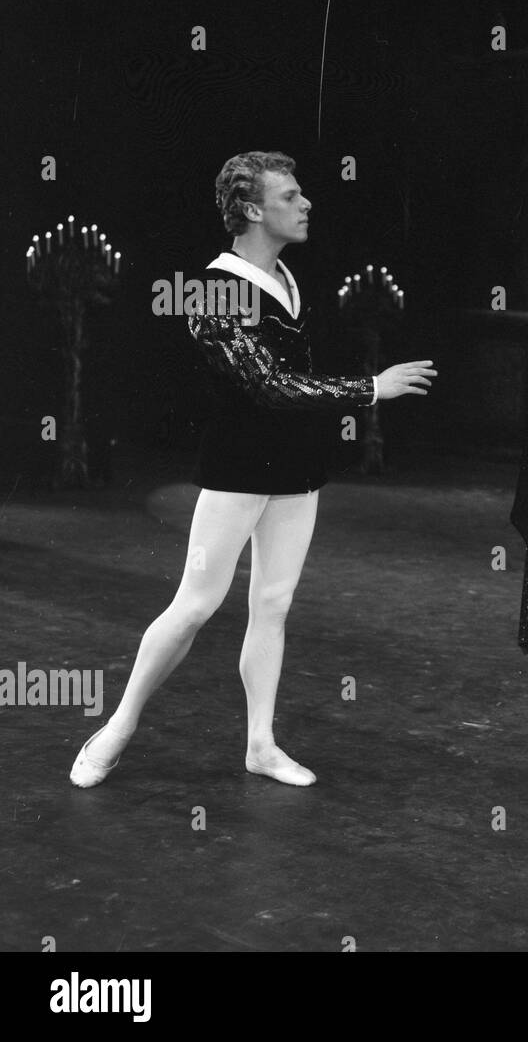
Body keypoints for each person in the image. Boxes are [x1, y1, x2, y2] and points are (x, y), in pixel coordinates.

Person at [70, 151, 436, 789]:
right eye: (291, 196)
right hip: (238, 469)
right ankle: (118, 725)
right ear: (249, 209)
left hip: (297, 469)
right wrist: (371, 389)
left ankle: (261, 745)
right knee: (195, 605)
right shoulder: (212, 289)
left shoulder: (288, 279)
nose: (306, 204)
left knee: (273, 603)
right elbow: (272, 386)